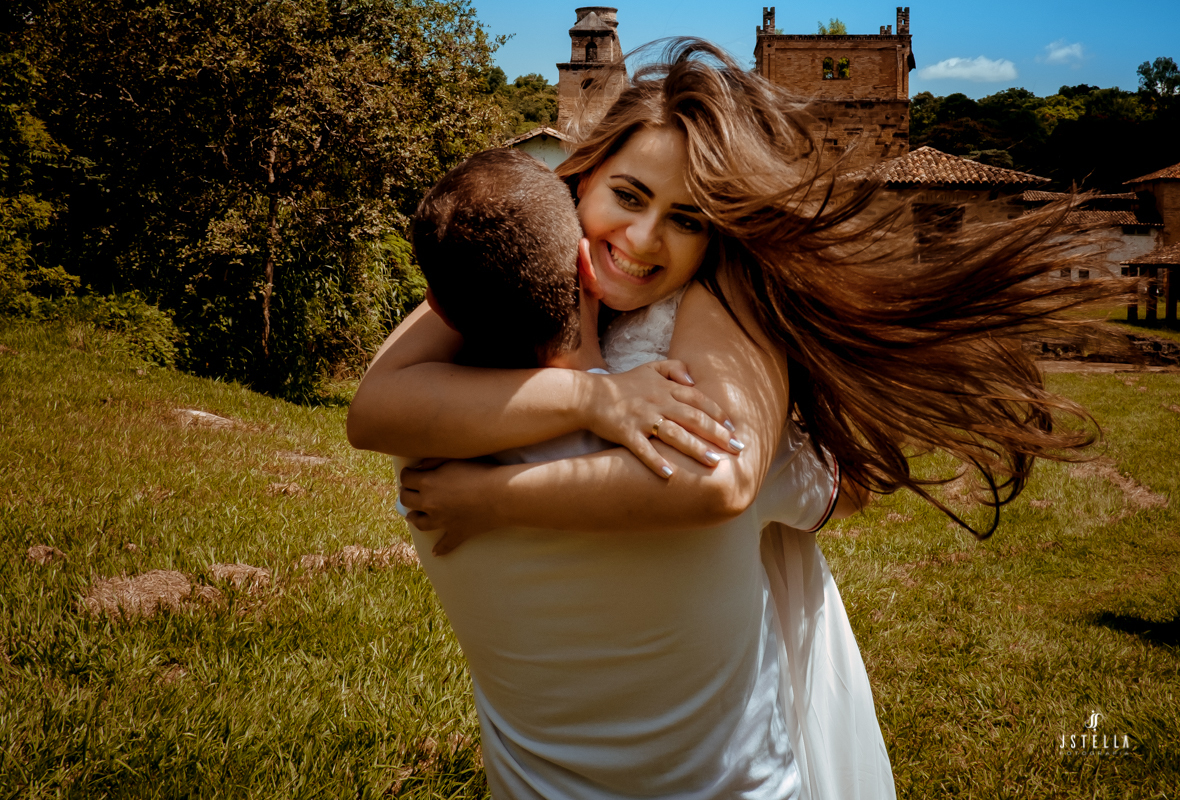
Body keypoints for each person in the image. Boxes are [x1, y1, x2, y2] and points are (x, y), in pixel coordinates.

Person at [348, 40, 1111, 798]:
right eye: (628, 196)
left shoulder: (682, 339)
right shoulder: (530, 288)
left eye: (687, 219)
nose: (643, 240)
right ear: (578, 181)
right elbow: (372, 409)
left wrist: (491, 496)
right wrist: (598, 399)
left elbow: (750, 480)